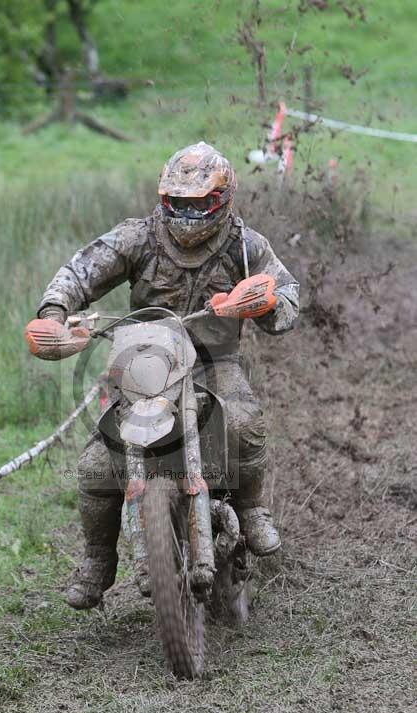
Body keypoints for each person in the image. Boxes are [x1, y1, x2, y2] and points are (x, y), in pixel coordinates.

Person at [34, 142, 299, 610]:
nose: (188, 213)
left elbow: (287, 292)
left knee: (243, 424)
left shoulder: (245, 244)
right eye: (177, 203)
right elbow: (80, 271)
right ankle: (98, 559)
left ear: (222, 199)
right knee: (97, 464)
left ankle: (251, 506)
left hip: (215, 361)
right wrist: (55, 313)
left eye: (199, 204)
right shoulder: (138, 237)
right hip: (146, 361)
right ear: (162, 199)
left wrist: (267, 302)